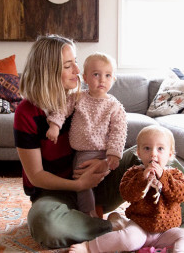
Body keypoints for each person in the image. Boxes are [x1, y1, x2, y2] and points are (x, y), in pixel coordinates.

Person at [13, 34, 184, 249]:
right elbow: (36, 175)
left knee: (154, 152)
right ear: (47, 68)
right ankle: (115, 226)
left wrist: (105, 164)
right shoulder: (27, 112)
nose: (78, 71)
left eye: (76, 63)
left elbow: (109, 140)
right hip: (55, 193)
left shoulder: (82, 98)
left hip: (99, 183)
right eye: (68, 65)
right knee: (45, 226)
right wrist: (78, 183)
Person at [69, 125, 184, 253]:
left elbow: (181, 195)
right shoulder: (134, 173)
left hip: (166, 231)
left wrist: (163, 177)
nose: (153, 154)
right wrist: (142, 179)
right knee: (128, 240)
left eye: (160, 149)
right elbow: (127, 194)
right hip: (139, 227)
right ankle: (89, 247)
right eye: (147, 148)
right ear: (139, 153)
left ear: (170, 154)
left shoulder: (175, 175)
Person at [45, 52, 127, 217]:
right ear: (85, 78)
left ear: (113, 79)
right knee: (82, 181)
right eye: (96, 74)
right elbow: (62, 109)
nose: (102, 80)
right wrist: (54, 125)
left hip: (103, 152)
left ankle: (90, 211)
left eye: (107, 75)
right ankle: (89, 210)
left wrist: (114, 154)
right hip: (82, 152)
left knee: (85, 180)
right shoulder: (77, 97)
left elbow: (118, 131)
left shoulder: (114, 106)